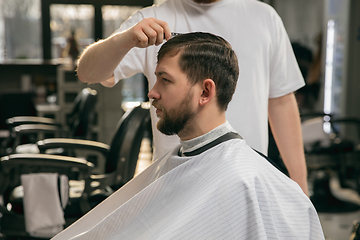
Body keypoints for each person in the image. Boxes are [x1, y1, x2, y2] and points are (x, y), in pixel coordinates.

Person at [53, 32, 323, 240]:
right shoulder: (181, 158)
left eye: (165, 80)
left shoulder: (244, 180)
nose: (152, 92)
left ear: (205, 92)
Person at [77, 0, 309, 195]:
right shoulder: (154, 18)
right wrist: (125, 39)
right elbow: (88, 73)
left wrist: (299, 185)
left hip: (246, 184)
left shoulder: (264, 17)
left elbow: (281, 102)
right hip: (175, 188)